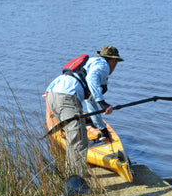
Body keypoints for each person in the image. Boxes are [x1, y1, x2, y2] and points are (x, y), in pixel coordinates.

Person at [46, 46, 124, 176]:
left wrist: (103, 129)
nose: (115, 66)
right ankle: (76, 184)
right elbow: (92, 78)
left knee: (74, 138)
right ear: (113, 61)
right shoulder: (103, 65)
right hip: (67, 98)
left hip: (54, 97)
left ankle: (71, 176)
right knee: (79, 141)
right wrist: (103, 103)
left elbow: (91, 104)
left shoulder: (89, 65)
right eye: (116, 63)